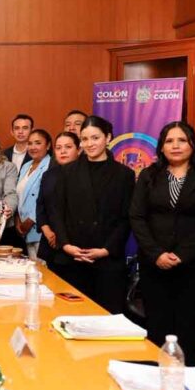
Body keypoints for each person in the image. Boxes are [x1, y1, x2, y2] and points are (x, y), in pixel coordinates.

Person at [130, 121, 195, 365]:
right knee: (157, 326)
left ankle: (186, 379)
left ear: (193, 144)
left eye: (182, 140)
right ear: (161, 147)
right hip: (154, 264)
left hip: (194, 266)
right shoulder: (148, 175)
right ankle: (155, 377)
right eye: (169, 141)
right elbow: (137, 217)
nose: (175, 146)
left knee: (187, 328)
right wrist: (156, 254)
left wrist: (182, 255)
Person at [50, 115, 135, 313]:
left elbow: (126, 218)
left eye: (95, 138)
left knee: (106, 318)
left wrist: (106, 250)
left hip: (107, 260)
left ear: (108, 137)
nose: (89, 144)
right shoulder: (67, 171)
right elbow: (57, 212)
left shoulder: (124, 174)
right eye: (85, 139)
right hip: (73, 257)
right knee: (72, 316)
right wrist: (66, 244)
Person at [36, 131, 80, 262]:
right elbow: (41, 205)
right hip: (50, 241)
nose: (63, 151)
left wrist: (61, 237)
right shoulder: (49, 175)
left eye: (68, 147)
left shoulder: (84, 176)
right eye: (58, 148)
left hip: (74, 243)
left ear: (79, 150)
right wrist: (47, 231)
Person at [15, 129, 52, 259]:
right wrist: (18, 219)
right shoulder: (26, 166)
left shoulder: (51, 166)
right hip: (24, 228)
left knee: (42, 267)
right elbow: (19, 195)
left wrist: (30, 220)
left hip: (41, 228)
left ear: (48, 145)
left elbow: (46, 199)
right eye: (30, 143)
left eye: (38, 143)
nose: (33, 147)